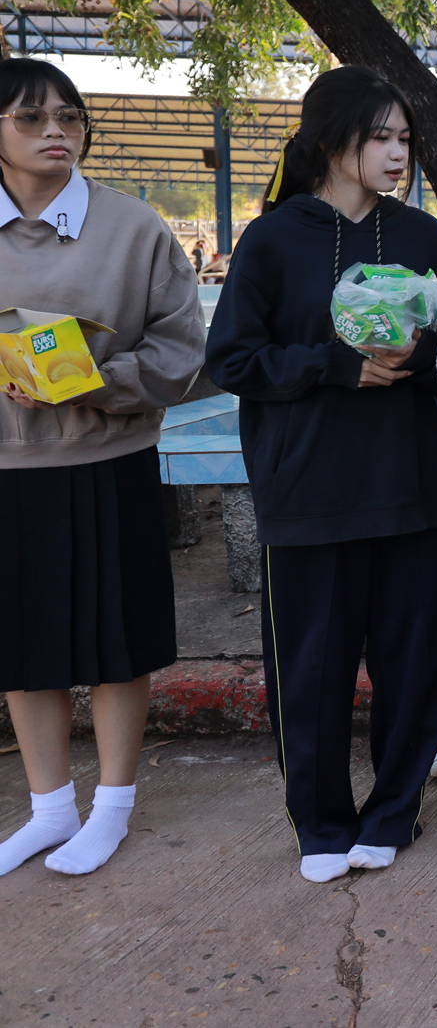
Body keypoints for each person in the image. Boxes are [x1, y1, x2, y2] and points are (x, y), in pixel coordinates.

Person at [205, 65, 437, 883]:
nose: (398, 153)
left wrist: (414, 357)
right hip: (308, 489)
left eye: (405, 138)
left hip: (408, 482)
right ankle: (319, 822)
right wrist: (334, 365)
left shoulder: (422, 238)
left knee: (412, 665)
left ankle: (392, 812)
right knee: (311, 668)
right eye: (380, 136)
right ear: (329, 140)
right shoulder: (273, 239)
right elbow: (233, 358)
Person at [0, 58, 204, 878]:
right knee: (20, 643)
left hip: (109, 459)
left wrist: (93, 380)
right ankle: (50, 807)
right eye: (31, 117)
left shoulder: (132, 226)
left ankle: (112, 805)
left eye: (70, 116)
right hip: (7, 466)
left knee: (119, 638)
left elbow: (181, 349)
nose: (56, 130)